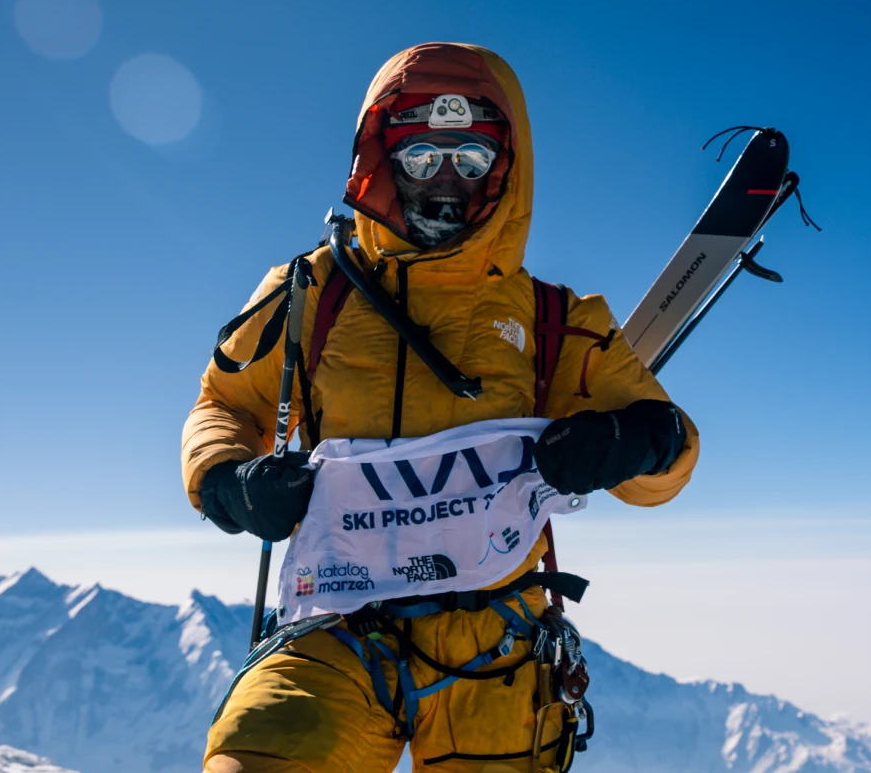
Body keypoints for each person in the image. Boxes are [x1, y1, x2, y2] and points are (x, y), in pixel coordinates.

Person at [181, 43, 699, 773]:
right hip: (338, 622)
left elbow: (671, 450)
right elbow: (225, 402)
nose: (447, 180)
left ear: (506, 169)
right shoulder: (311, 290)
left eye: (472, 159)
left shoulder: (553, 319)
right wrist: (228, 481)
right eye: (422, 156)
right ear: (381, 158)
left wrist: (633, 442)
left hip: (498, 641)